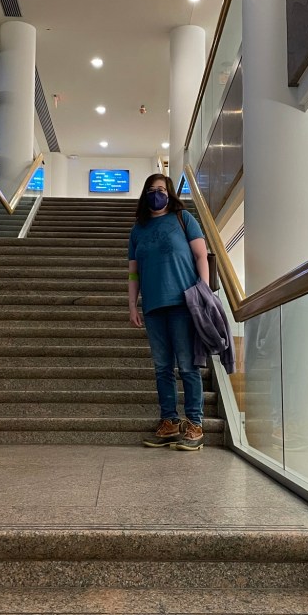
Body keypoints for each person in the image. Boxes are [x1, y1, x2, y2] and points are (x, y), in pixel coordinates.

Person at [128, 173, 209, 451]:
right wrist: (132, 304)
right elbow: (133, 273)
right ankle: (170, 422)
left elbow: (201, 255)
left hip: (183, 303)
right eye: (151, 189)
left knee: (187, 366)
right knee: (162, 368)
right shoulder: (138, 229)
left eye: (161, 189)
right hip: (153, 307)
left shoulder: (183, 219)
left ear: (170, 192)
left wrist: (203, 290)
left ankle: (195, 424)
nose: (156, 194)